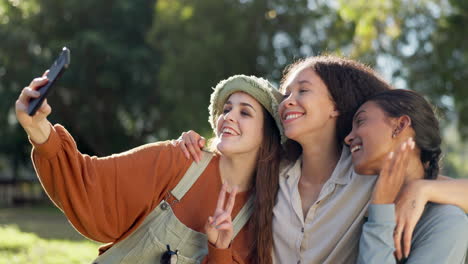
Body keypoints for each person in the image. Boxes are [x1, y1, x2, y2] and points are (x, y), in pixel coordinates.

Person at [176, 55, 468, 263]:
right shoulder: (272, 172)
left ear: (336, 107)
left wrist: (422, 189)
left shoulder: (367, 174)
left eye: (303, 91)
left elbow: (444, 188)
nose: (288, 101)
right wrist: (192, 143)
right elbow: (226, 154)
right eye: (286, 93)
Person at [15, 74, 284, 263]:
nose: (229, 117)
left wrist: (220, 250)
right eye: (227, 109)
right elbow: (91, 181)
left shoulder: (262, 216)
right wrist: (38, 128)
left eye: (245, 112)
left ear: (269, 135)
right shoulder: (180, 158)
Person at [344, 89, 468, 264]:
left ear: (400, 125)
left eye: (361, 121)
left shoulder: (447, 221)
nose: (348, 138)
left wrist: (381, 210)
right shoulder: (355, 199)